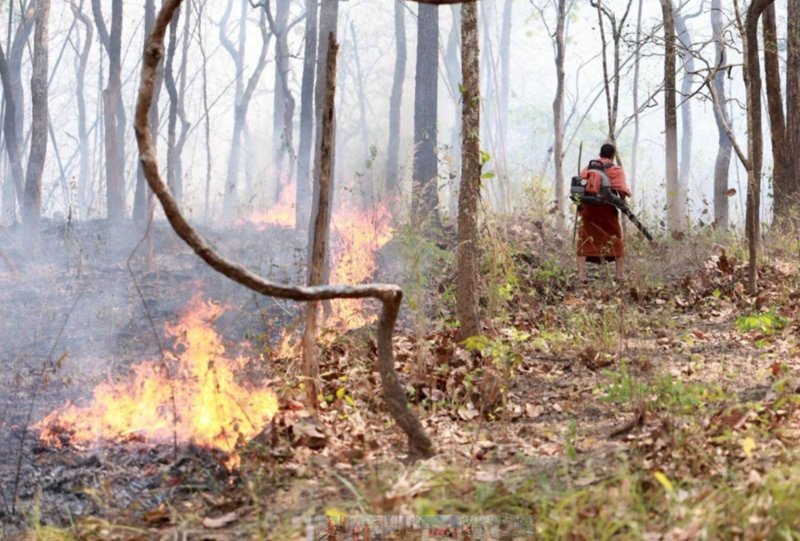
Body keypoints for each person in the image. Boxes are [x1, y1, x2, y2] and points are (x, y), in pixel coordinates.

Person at [576, 143, 631, 282]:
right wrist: (623, 204)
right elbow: (622, 191)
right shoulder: (616, 170)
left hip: (588, 210)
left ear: (600, 154)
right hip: (607, 211)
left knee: (584, 239)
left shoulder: (589, 168)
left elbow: (579, 186)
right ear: (613, 155)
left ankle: (582, 275)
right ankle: (619, 275)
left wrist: (579, 207)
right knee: (616, 240)